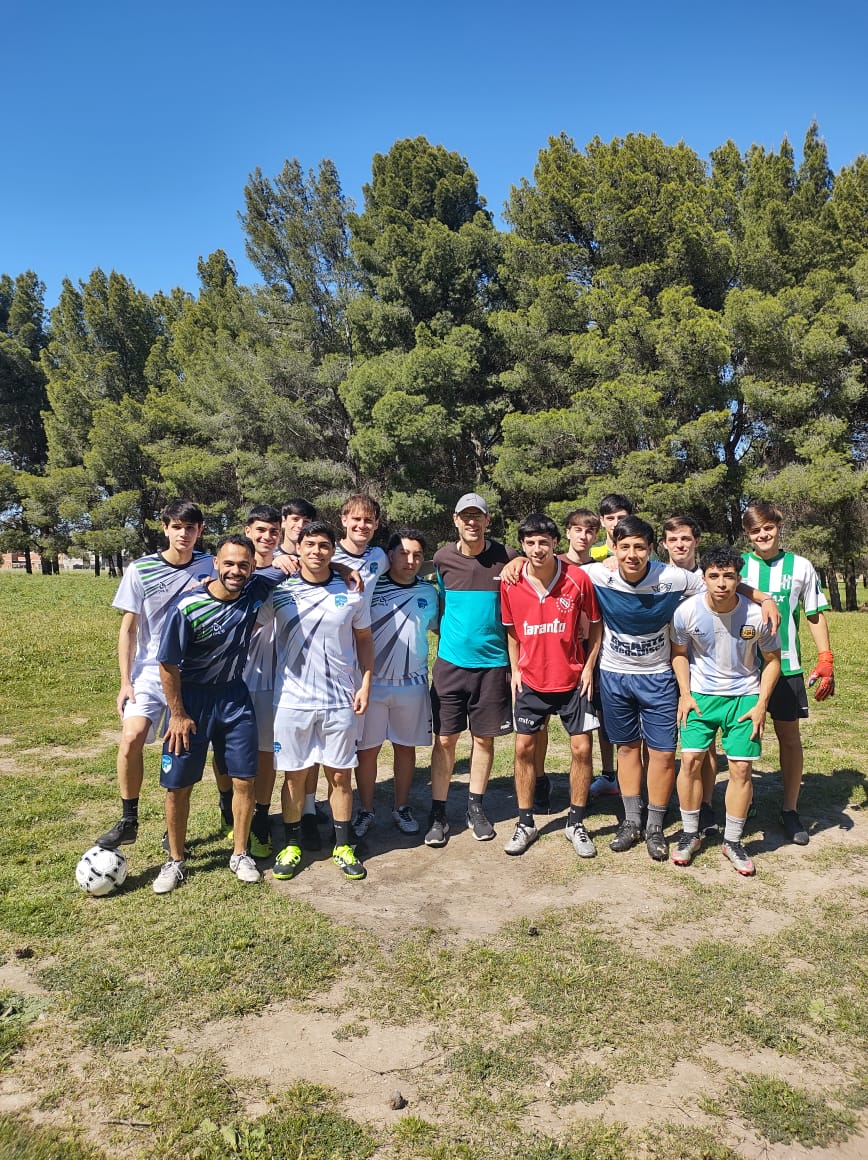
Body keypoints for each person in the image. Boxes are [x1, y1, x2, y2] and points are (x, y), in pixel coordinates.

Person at [584, 516, 779, 862]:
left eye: (640, 547)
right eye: (624, 547)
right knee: (627, 750)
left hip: (659, 676)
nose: (632, 554)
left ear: (651, 549)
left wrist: (763, 597)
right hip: (615, 674)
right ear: (613, 547)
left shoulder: (671, 577)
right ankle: (632, 821)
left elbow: (719, 578)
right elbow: (557, 567)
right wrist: (519, 562)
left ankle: (656, 827)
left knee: (662, 754)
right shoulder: (598, 573)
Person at [154, 535, 287, 893]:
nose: (236, 571)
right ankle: (176, 860)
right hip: (191, 702)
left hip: (233, 697)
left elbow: (299, 564)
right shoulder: (188, 607)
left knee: (245, 779)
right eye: (229, 563)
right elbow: (167, 664)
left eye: (244, 565)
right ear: (215, 563)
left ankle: (240, 854)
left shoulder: (255, 589)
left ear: (253, 567)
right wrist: (178, 714)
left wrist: (338, 566)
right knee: (178, 785)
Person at [95, 500, 212, 851]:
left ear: (200, 531)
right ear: (165, 529)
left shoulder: (211, 564)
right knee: (131, 737)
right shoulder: (140, 569)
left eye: (191, 527)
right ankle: (129, 818)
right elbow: (128, 630)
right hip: (148, 672)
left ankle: (173, 830)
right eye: (177, 527)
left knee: (180, 749)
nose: (184, 533)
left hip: (191, 674)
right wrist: (125, 681)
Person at [270, 521, 374, 882]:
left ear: (333, 550)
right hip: (292, 700)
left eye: (324, 546)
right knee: (295, 777)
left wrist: (365, 683)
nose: (316, 551)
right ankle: (292, 844)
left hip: (340, 700)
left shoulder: (351, 590)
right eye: (309, 544)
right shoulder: (278, 591)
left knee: (340, 775)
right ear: (297, 549)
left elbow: (364, 639)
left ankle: (343, 846)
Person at [670, 546, 781, 875]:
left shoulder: (755, 615)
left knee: (741, 770)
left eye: (729, 576)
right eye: (714, 576)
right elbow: (678, 654)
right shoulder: (686, 611)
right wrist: (685, 694)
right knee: (689, 761)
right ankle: (690, 835)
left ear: (738, 579)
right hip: (701, 697)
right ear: (703, 578)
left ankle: (732, 841)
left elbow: (773, 662)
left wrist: (761, 704)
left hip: (744, 697)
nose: (721, 583)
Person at [500, 514, 602, 857]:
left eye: (543, 542)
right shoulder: (511, 581)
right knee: (523, 750)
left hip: (573, 679)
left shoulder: (578, 578)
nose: (537, 549)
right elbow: (512, 629)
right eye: (529, 543)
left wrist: (588, 667)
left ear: (555, 543)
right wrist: (515, 670)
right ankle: (525, 822)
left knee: (582, 750)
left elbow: (597, 625)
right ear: (523, 546)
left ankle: (576, 822)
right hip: (531, 680)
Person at [740, 502, 835, 845]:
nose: (762, 535)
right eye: (755, 530)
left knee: (789, 738)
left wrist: (826, 657)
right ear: (747, 535)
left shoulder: (801, 566)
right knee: (744, 739)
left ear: (778, 526)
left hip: (787, 666)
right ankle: (742, 801)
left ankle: (790, 809)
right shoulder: (739, 565)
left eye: (768, 527)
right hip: (744, 669)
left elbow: (814, 613)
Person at [426, 493, 517, 847]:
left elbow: (538, 562)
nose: (471, 522)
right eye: (465, 516)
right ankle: (437, 812)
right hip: (450, 664)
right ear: (455, 520)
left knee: (484, 739)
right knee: (445, 740)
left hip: (493, 666)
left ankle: (475, 808)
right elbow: (444, 603)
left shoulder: (507, 557)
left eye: (477, 516)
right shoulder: (442, 558)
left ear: (487, 520)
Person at [355, 529, 439, 835]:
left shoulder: (429, 593)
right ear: (389, 555)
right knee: (367, 751)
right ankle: (365, 811)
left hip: (412, 683)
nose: (410, 560)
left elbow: (439, 630)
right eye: (403, 553)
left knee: (406, 749)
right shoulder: (371, 588)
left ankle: (401, 808)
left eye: (417, 554)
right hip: (371, 683)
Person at [331, 494, 389, 840]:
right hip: (329, 660)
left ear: (376, 525)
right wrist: (340, 568)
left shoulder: (379, 557)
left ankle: (363, 811)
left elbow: (409, 564)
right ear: (343, 520)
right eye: (355, 519)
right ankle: (315, 809)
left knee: (361, 742)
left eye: (368, 521)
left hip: (363, 661)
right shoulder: (325, 550)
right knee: (331, 743)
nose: (361, 526)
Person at [661, 514, 719, 835]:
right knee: (660, 742)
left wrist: (764, 598)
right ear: (665, 544)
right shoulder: (656, 575)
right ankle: (664, 800)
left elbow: (741, 587)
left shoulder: (709, 576)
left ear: (696, 541)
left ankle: (706, 803)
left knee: (704, 744)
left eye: (685, 539)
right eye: (673, 540)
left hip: (701, 669)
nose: (680, 545)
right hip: (661, 666)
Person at [589, 493, 634, 562]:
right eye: (610, 518)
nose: (616, 523)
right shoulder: (591, 552)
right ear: (602, 521)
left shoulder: (642, 551)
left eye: (621, 518)